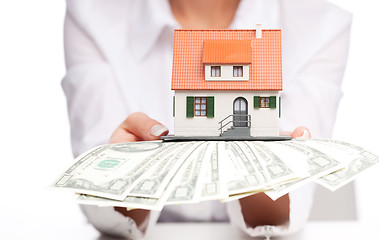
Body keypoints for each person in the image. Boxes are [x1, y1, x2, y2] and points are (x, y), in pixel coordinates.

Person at [62, 0, 352, 238]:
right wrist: (127, 174)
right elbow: (97, 200)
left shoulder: (323, 25)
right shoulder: (91, 15)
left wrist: (266, 171)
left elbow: (284, 214)